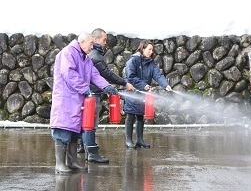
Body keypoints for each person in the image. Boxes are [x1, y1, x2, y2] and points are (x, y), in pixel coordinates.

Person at [50, 32, 118, 174]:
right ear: (82, 42)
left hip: (77, 99)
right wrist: (85, 88)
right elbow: (69, 73)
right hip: (66, 99)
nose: (92, 47)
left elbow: (94, 75)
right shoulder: (68, 53)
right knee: (63, 130)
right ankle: (60, 165)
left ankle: (72, 162)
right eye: (91, 44)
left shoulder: (85, 58)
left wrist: (106, 86)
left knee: (75, 132)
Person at [78, 28, 135, 163]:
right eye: (104, 40)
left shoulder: (92, 55)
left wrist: (108, 87)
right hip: (93, 94)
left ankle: (85, 147)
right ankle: (91, 152)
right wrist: (124, 83)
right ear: (95, 39)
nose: (105, 43)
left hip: (91, 93)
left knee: (87, 123)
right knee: (91, 124)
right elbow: (107, 74)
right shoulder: (95, 56)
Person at [123, 40, 172, 149]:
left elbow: (158, 75)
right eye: (149, 49)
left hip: (142, 93)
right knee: (130, 115)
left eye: (152, 50)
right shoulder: (133, 60)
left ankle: (140, 140)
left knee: (140, 115)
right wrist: (143, 85)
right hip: (132, 92)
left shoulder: (151, 63)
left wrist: (165, 85)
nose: (151, 52)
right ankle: (128, 140)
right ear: (142, 48)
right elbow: (130, 76)